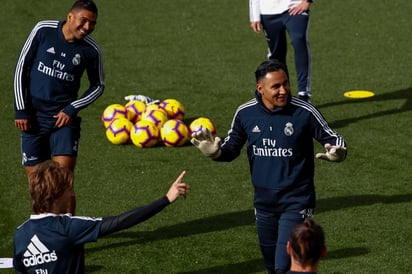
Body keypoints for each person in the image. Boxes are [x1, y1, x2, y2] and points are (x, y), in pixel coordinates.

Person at [191, 59, 346, 274]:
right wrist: (215, 153)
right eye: (276, 86)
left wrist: (339, 153)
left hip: (297, 200)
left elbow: (333, 138)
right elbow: (230, 149)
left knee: (284, 266)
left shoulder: (304, 111)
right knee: (272, 267)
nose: (283, 90)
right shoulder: (245, 113)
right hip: (263, 204)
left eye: (286, 84)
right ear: (260, 88)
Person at [13, 163, 191, 274]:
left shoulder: (20, 233)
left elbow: (21, 269)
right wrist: (166, 199)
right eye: (68, 189)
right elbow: (120, 222)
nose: (73, 193)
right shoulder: (68, 227)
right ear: (56, 195)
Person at [13, 0, 104, 185]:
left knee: (64, 182)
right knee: (36, 185)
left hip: (62, 120)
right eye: (83, 20)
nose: (87, 27)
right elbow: (21, 67)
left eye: (92, 23)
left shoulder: (92, 50)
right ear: (70, 17)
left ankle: (66, 216)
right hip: (33, 118)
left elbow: (98, 85)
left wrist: (72, 108)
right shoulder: (43, 30)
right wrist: (21, 110)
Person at [249, 0, 313, 102]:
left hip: (295, 6)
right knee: (276, 55)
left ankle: (304, 94)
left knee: (299, 40)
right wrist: (254, 16)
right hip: (268, 11)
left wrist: (307, 1)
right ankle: (284, 95)